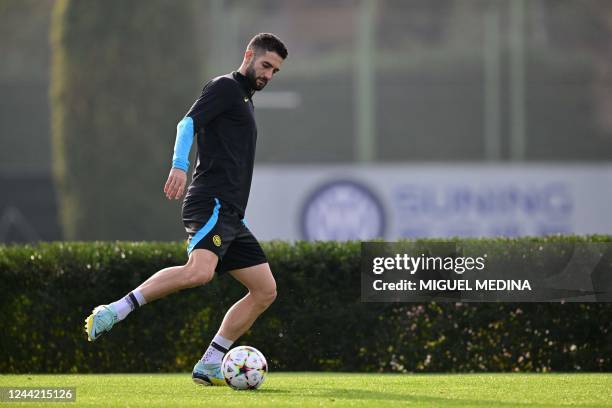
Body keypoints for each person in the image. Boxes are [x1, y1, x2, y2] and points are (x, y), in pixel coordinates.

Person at [84, 33, 288, 386]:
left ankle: (211, 362)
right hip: (211, 202)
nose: (268, 75)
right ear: (249, 55)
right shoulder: (225, 87)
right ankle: (114, 311)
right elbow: (187, 123)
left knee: (265, 290)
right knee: (199, 272)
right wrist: (179, 163)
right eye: (266, 65)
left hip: (231, 215)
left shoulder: (244, 100)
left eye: (275, 71)